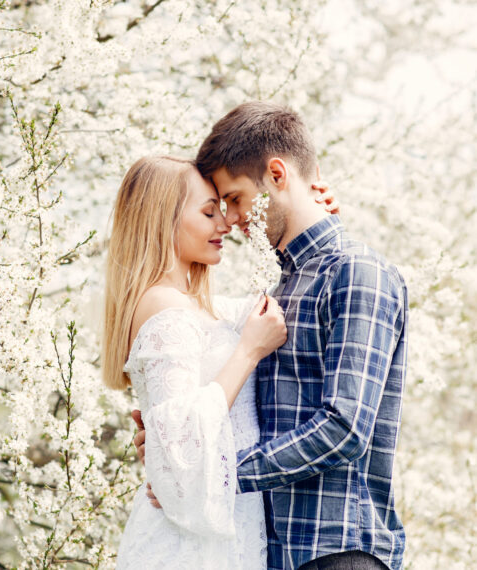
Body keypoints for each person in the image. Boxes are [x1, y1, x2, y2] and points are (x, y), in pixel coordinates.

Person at [135, 102, 408, 570]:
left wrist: (215, 473)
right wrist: (171, 436)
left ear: (277, 174)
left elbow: (344, 429)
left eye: (237, 199)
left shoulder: (356, 272)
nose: (233, 219)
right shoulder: (276, 292)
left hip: (339, 550)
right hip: (274, 553)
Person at [102, 155, 338, 569]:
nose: (225, 224)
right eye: (209, 212)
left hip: (230, 531)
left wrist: (314, 214)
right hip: (186, 546)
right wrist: (248, 352)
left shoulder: (197, 307)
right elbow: (180, 444)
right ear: (163, 220)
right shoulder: (162, 307)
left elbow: (275, 305)